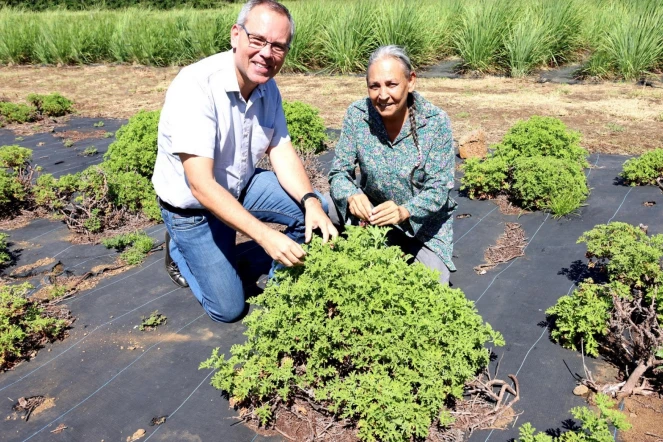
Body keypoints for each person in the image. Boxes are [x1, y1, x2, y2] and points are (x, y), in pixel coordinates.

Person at [152, 0, 338, 323]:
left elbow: (281, 151)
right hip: (193, 209)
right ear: (236, 35)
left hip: (241, 186)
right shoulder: (195, 86)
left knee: (317, 210)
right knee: (229, 308)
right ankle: (179, 251)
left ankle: (282, 290)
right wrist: (265, 236)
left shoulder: (268, 88)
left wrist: (310, 202)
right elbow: (200, 185)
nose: (267, 53)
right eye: (258, 40)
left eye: (278, 46)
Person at [328, 45, 456, 284]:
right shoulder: (358, 115)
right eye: (374, 86)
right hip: (372, 214)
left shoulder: (436, 123)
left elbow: (439, 188)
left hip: (422, 225)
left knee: (433, 281)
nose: (383, 95)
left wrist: (403, 211)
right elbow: (338, 172)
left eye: (391, 84)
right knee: (313, 207)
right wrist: (351, 195)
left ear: (411, 81)